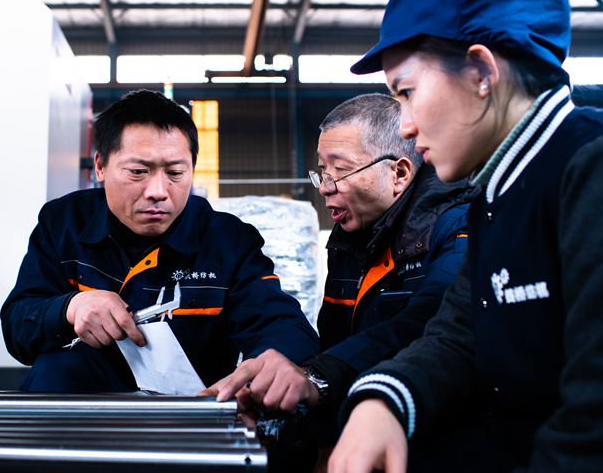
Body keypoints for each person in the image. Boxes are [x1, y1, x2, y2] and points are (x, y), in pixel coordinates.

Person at [328, 0, 603, 473]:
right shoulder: (496, 196)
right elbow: (460, 334)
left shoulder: (599, 166)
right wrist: (385, 399)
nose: (407, 127)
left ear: (482, 72)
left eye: (407, 93)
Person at [202, 94, 472, 465]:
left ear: (399, 173)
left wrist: (316, 378)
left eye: (339, 171)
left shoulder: (457, 228)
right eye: (321, 172)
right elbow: (335, 344)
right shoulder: (350, 240)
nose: (325, 187)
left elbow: (424, 325)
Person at [0, 89, 318, 393]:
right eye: (138, 171)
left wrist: (271, 362)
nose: (158, 192)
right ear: (100, 166)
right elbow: (17, 329)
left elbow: (283, 324)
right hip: (79, 414)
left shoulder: (229, 242)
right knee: (55, 371)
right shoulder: (64, 225)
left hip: (191, 412)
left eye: (175, 173)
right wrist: (70, 308)